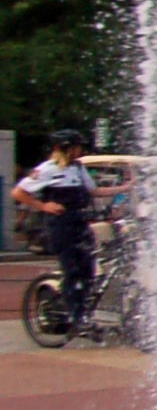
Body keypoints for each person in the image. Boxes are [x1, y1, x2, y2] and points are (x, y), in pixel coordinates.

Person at [13, 132, 102, 324]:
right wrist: (43, 206)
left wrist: (126, 187)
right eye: (77, 147)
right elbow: (18, 192)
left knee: (89, 267)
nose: (80, 150)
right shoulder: (47, 169)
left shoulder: (78, 168)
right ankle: (77, 318)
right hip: (60, 224)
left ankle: (82, 310)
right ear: (66, 149)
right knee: (72, 269)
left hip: (79, 221)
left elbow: (93, 191)